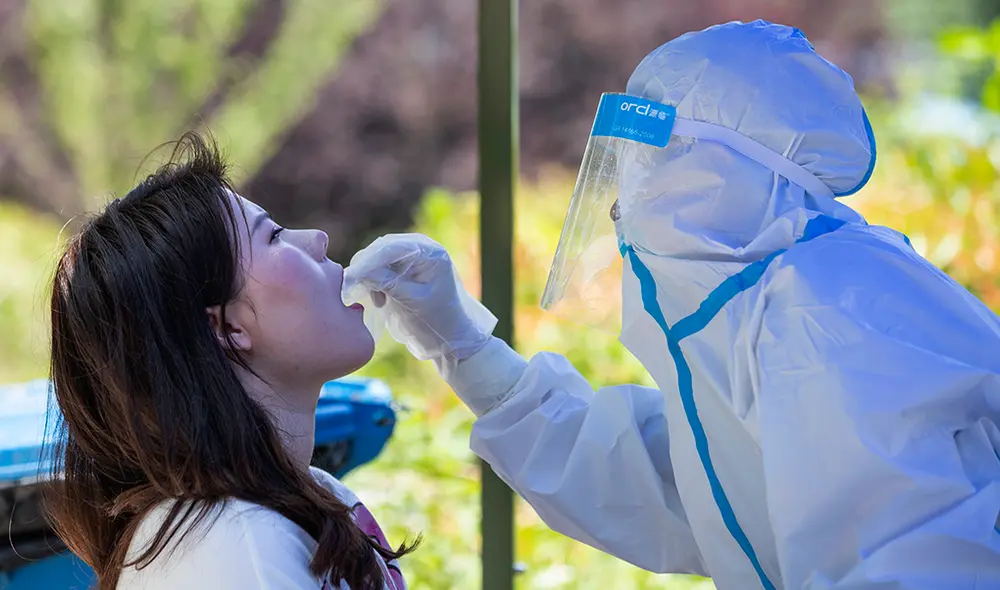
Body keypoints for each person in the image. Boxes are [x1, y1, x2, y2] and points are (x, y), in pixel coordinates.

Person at [348, 20, 1000, 589]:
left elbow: (915, 563)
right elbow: (684, 481)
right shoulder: (765, 301)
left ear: (741, 171)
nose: (625, 191)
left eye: (655, 156)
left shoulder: (831, 316)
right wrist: (464, 350)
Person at [45, 133, 414, 590]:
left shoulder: (297, 503)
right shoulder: (239, 543)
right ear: (225, 328)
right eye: (274, 236)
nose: (317, 239)